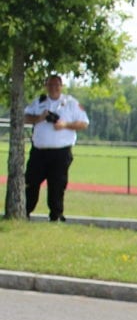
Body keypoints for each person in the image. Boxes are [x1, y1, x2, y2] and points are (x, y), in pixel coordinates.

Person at [23, 74, 89, 222]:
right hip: (39, 152)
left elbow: (84, 123)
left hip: (60, 152)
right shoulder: (39, 102)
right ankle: (24, 212)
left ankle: (56, 215)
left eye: (56, 85)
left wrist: (65, 124)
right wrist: (39, 118)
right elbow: (25, 117)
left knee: (57, 185)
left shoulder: (70, 103)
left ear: (61, 86)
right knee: (31, 182)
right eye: (50, 85)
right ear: (46, 86)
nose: (53, 88)